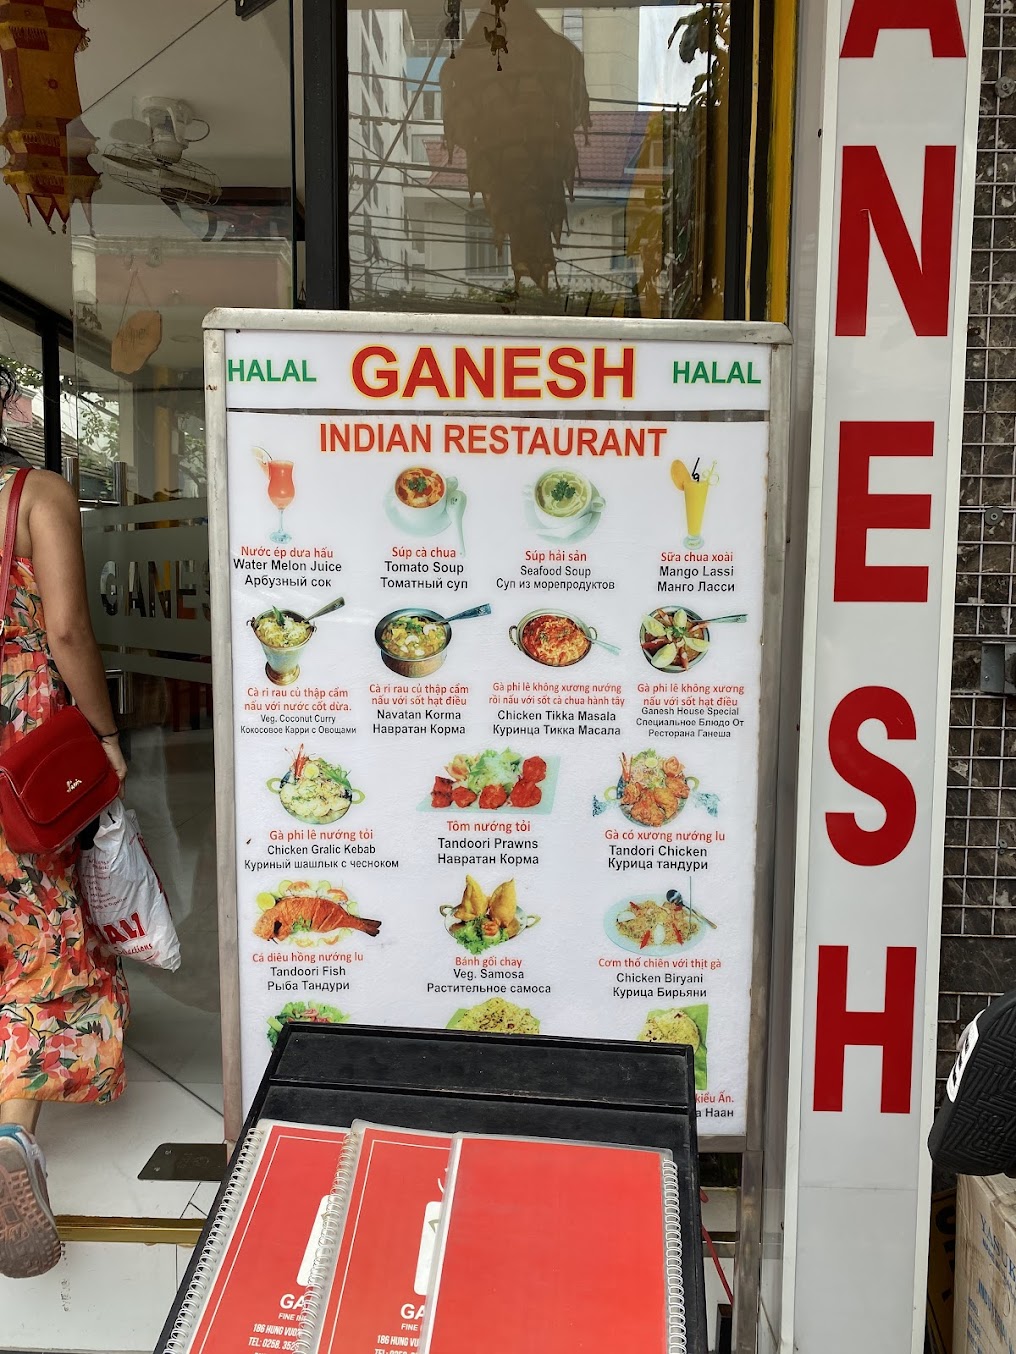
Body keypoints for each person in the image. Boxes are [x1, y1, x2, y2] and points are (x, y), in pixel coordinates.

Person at [0, 364, 128, 1279]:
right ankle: (12, 1133)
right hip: (20, 754)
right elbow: (70, 631)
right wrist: (107, 738)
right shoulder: (34, 496)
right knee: (39, 938)